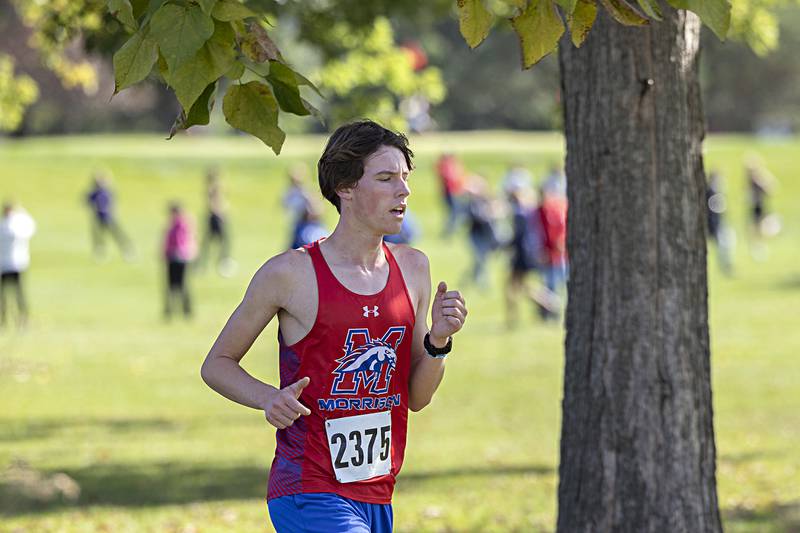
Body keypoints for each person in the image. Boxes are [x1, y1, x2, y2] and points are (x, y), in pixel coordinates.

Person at [200, 120, 468, 533]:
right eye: (385, 178)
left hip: (377, 493)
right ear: (345, 187)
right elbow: (217, 363)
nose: (404, 191)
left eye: (405, 178)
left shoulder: (414, 268)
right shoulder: (289, 274)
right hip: (307, 487)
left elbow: (416, 397)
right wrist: (268, 398)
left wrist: (439, 341)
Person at [0, 202, 36, 328]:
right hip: (16, 264)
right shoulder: (16, 227)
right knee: (18, 295)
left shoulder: (2, 226)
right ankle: (22, 320)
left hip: (5, 265)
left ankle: (5, 320)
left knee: (5, 295)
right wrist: (23, 212)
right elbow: (31, 228)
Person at [85, 172, 134, 260]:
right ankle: (100, 253)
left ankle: (127, 250)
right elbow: (88, 202)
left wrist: (112, 212)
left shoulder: (107, 192)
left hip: (109, 218)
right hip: (98, 218)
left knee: (118, 235)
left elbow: (113, 203)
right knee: (98, 237)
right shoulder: (94, 193)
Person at [197, 166, 235, 277]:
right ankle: (222, 264)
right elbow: (214, 203)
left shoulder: (211, 187)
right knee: (223, 241)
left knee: (209, 242)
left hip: (213, 217)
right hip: (216, 217)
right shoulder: (214, 187)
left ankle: (203, 264)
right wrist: (221, 214)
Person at [163, 203, 197, 320]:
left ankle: (186, 311)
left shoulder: (182, 225)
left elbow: (182, 241)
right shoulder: (172, 225)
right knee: (171, 286)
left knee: (181, 286)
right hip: (173, 257)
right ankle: (170, 311)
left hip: (180, 258)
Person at [435, 154, 466, 238]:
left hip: (452, 192)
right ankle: (449, 230)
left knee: (455, 212)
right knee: (454, 212)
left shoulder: (449, 165)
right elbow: (450, 179)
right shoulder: (445, 166)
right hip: (449, 193)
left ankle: (451, 229)